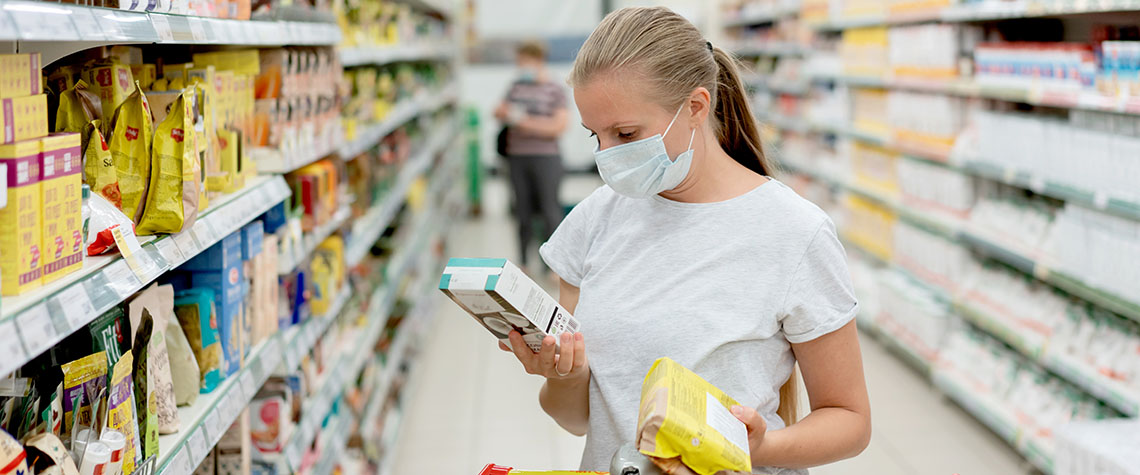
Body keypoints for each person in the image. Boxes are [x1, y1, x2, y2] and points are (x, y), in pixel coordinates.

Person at [499, 7, 871, 474]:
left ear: (695, 107)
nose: (606, 156)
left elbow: (850, 420)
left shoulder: (793, 232)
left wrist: (760, 447)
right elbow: (576, 420)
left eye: (626, 134)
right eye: (595, 135)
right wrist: (566, 376)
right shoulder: (594, 221)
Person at [493, 40, 569, 270]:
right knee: (521, 211)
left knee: (549, 210)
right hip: (517, 157)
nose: (520, 66)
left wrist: (524, 122)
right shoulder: (515, 86)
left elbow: (559, 126)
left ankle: (553, 266)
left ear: (537, 60)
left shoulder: (555, 89)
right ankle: (524, 262)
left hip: (546, 158)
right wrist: (505, 114)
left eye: (524, 61)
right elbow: (498, 110)